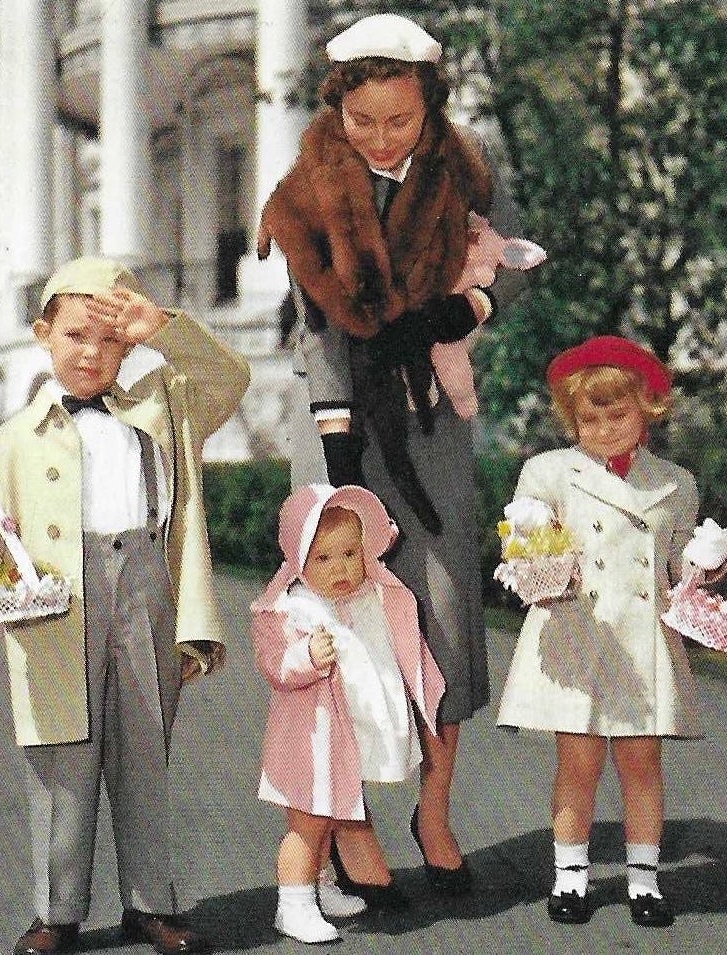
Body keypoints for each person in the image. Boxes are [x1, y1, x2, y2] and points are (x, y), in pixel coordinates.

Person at [257, 12, 534, 897]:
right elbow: (317, 331)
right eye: (362, 121)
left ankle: (434, 809)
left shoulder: (468, 168)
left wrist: (470, 308)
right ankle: (351, 826)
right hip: (335, 414)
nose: (380, 139)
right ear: (337, 108)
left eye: (399, 121)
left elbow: (518, 260)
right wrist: (339, 464)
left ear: (430, 109)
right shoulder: (308, 187)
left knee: (442, 613)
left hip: (428, 416)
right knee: (340, 620)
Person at [0, 256, 250, 955]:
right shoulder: (10, 439)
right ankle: (55, 912)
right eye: (77, 335)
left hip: (145, 582)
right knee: (61, 756)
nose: (93, 353)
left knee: (145, 748)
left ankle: (151, 903)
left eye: (112, 338)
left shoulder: (165, 403)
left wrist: (162, 328)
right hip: (59, 602)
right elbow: (0, 547)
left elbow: (229, 376)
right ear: (43, 335)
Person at [496, 335, 727, 928]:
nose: (603, 430)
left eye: (617, 415)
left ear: (648, 409)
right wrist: (529, 538)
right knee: (578, 762)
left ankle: (644, 880)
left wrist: (709, 559)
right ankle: (569, 876)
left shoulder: (674, 482)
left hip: (642, 641)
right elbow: (527, 539)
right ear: (571, 419)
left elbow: (678, 569)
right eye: (589, 419)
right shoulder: (548, 472)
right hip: (578, 632)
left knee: (641, 763)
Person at [251, 483, 445, 942]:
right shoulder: (292, 609)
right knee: (307, 823)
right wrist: (307, 656)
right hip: (309, 739)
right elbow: (275, 664)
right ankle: (292, 904)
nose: (340, 568)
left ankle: (321, 886)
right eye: (323, 558)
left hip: (341, 738)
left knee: (330, 814)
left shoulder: (366, 598)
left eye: (350, 554)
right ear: (299, 559)